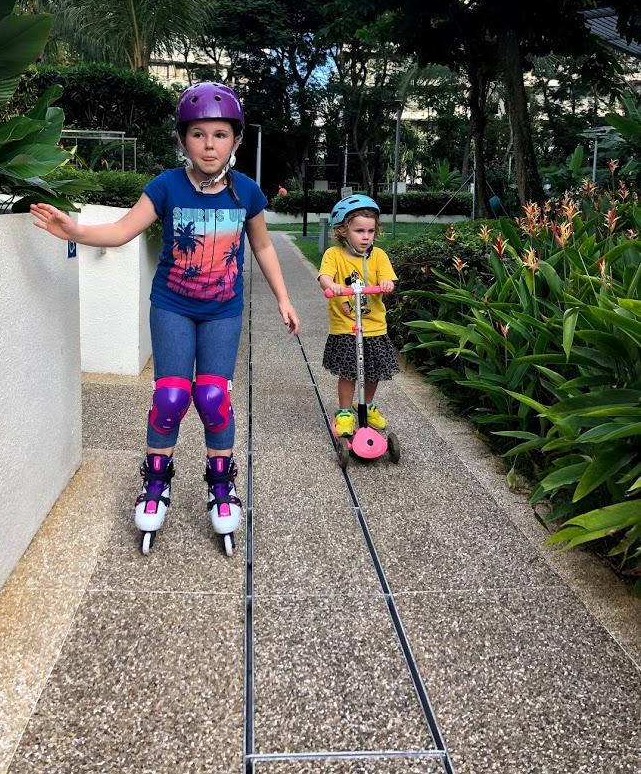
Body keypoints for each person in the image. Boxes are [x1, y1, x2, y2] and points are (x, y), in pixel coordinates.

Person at [30, 81, 299, 555]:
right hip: (172, 306)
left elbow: (261, 246)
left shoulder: (247, 192)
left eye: (220, 135)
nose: (209, 145)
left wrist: (283, 298)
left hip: (223, 312)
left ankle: (222, 486)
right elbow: (121, 231)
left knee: (214, 397)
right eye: (198, 134)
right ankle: (155, 483)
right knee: (171, 397)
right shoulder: (166, 186)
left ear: (236, 140)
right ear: (183, 140)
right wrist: (74, 230)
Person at [318, 195, 398, 439]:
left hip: (374, 326)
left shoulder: (378, 256)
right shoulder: (334, 255)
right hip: (345, 326)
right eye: (359, 231)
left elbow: (388, 277)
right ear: (343, 231)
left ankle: (367, 404)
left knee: (373, 371)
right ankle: (344, 411)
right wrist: (332, 285)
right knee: (349, 372)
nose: (366, 237)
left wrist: (386, 283)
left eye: (370, 231)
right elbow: (324, 277)